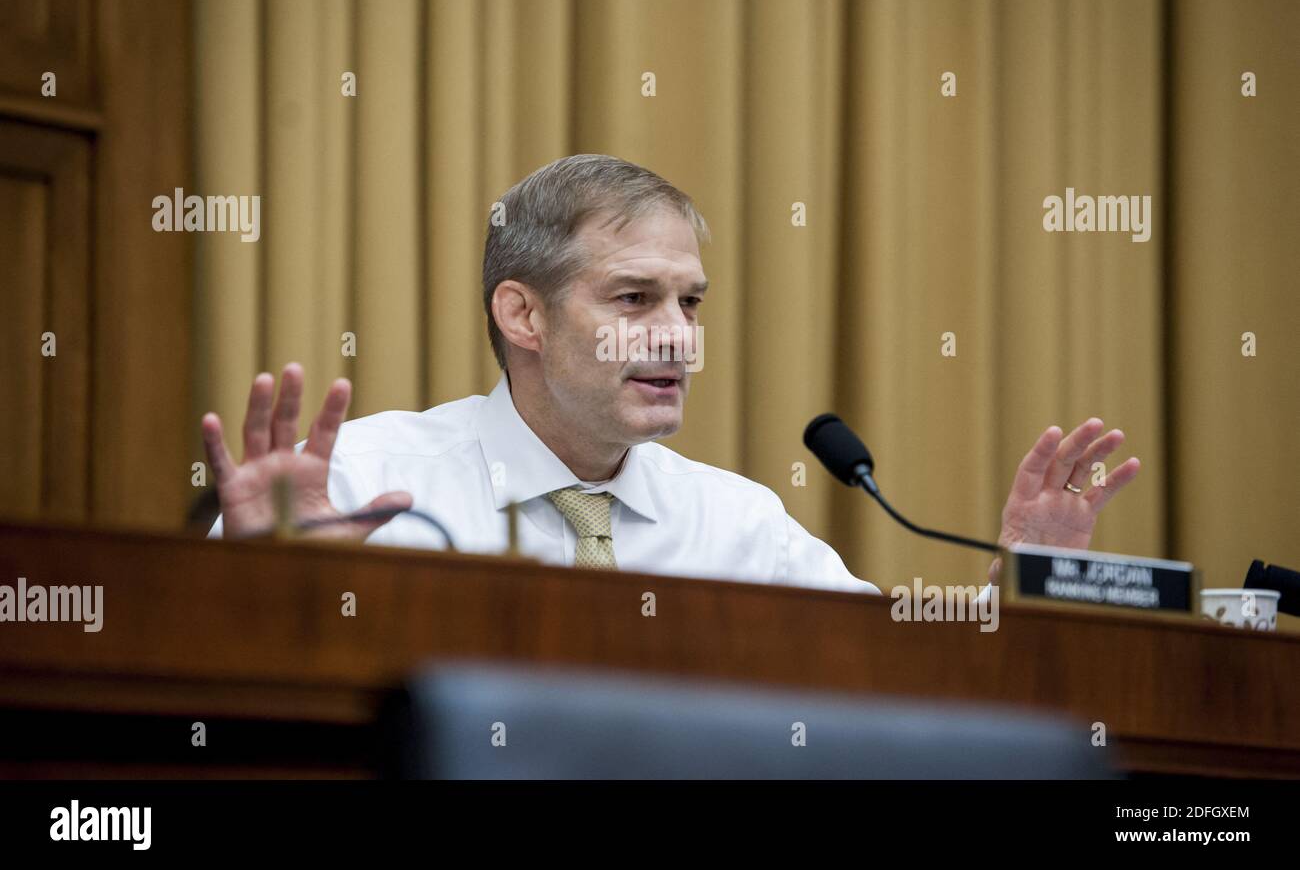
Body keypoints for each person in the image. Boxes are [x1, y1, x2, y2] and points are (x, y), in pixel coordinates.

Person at [204, 154, 1139, 593]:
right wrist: (265, 587)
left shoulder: (741, 527)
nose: (677, 339)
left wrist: (1025, 578)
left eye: (689, 304)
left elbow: (905, 683)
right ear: (522, 314)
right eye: (633, 299)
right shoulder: (363, 485)